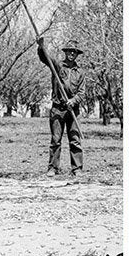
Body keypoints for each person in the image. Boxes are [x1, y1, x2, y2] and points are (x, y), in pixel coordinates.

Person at [38, 42, 85, 177]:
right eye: (69, 51)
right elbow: (45, 58)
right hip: (58, 109)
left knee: (75, 139)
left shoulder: (80, 72)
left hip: (73, 110)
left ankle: (77, 169)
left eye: (74, 52)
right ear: (65, 52)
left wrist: (73, 101)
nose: (71, 54)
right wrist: (41, 47)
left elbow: (82, 92)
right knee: (56, 139)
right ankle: (53, 168)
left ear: (77, 54)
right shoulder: (57, 66)